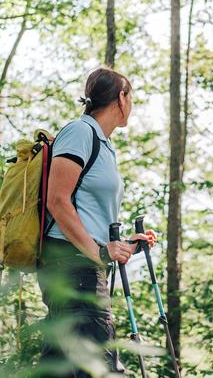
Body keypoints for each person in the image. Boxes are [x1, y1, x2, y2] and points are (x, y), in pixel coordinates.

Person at [36, 67, 157, 377]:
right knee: (99, 365)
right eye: (131, 96)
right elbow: (57, 200)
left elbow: (85, 212)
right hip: (72, 266)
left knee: (61, 366)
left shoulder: (104, 145)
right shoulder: (80, 132)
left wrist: (124, 244)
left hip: (83, 265)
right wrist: (98, 252)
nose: (132, 104)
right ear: (121, 97)